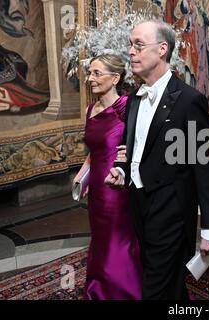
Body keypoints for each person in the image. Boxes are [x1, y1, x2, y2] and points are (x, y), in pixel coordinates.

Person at [104, 20, 209, 300]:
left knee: (155, 288)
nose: (131, 52)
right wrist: (122, 170)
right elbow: (133, 145)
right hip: (139, 203)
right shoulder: (135, 97)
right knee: (166, 281)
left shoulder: (188, 100)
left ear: (162, 49)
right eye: (130, 45)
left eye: (138, 45)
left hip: (171, 209)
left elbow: (204, 165)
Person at [73, 54, 142, 300]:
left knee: (118, 239)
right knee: (100, 238)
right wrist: (82, 176)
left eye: (96, 73)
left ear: (115, 78)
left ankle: (125, 291)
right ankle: (99, 289)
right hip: (96, 189)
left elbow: (138, 143)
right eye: (89, 73)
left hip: (117, 186)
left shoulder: (126, 106)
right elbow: (93, 151)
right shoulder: (90, 109)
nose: (90, 79)